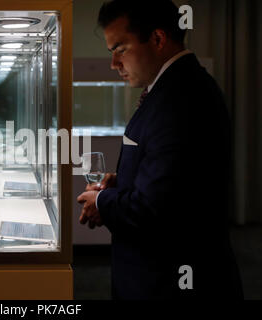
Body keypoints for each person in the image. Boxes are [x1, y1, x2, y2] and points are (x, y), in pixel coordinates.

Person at [76, 0, 243, 299]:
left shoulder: (181, 98)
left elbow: (156, 208)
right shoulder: (173, 87)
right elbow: (176, 183)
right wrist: (121, 183)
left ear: (157, 39)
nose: (114, 63)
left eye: (121, 48)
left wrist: (103, 202)